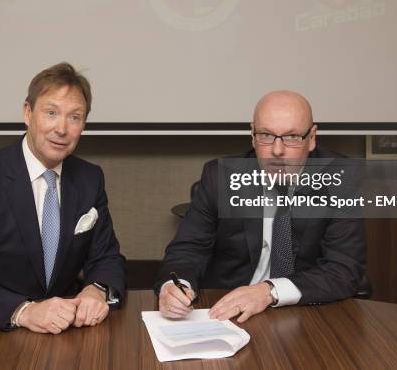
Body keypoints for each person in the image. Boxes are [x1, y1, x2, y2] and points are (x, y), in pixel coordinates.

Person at [0, 62, 125, 332]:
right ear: (27, 112)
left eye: (75, 117)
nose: (62, 128)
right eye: (51, 113)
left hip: (66, 330)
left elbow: (107, 258)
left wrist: (96, 290)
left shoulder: (89, 178)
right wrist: (24, 311)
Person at [155, 90, 365, 322]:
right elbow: (187, 249)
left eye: (292, 137)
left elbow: (343, 269)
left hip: (304, 311)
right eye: (266, 135)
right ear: (252, 136)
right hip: (226, 312)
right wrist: (176, 286)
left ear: (312, 137)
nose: (277, 151)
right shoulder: (220, 176)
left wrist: (269, 291)